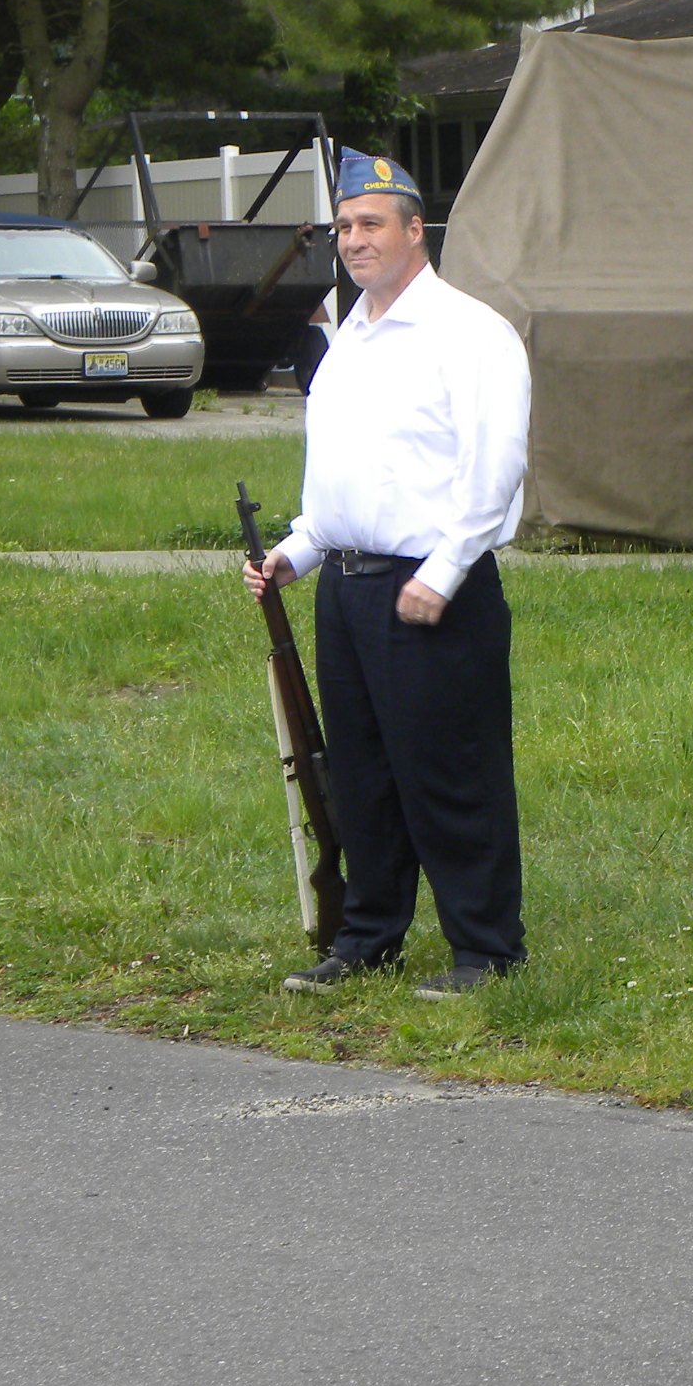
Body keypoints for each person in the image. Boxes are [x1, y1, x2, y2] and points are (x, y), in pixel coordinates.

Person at [243, 152, 533, 1001]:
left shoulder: (470, 334)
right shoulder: (349, 337)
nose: (354, 239)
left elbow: (496, 469)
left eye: (371, 223)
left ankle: (487, 949)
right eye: (344, 226)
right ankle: (368, 938)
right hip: (348, 589)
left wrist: (444, 572)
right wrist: (296, 552)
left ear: (415, 230)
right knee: (362, 775)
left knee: (451, 772)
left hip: (434, 589)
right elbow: (340, 476)